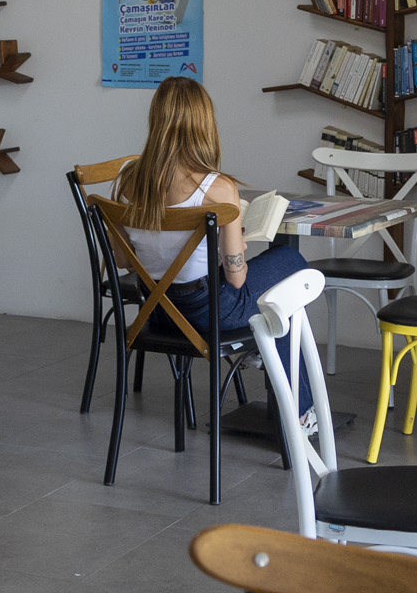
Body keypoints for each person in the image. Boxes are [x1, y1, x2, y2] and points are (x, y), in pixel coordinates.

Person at [109, 77, 311, 411]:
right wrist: (237, 246)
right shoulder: (218, 188)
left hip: (157, 313)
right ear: (203, 124)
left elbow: (123, 261)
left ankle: (265, 354)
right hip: (209, 315)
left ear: (155, 119)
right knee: (291, 264)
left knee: (280, 293)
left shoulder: (128, 180)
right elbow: (236, 278)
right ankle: (298, 411)